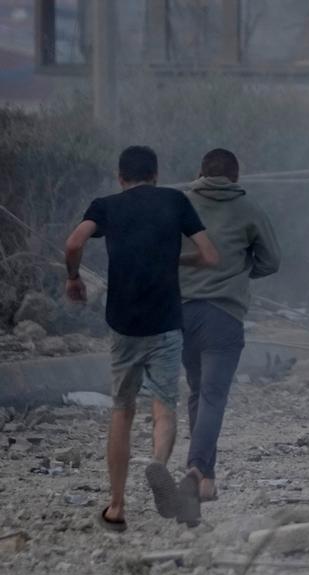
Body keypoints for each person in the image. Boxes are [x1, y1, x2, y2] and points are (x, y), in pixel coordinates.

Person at [63, 145, 219, 531]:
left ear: (121, 177)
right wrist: (177, 259)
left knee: (122, 408)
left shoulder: (106, 205)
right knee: (164, 405)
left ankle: (116, 507)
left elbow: (74, 243)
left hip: (123, 325)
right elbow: (210, 255)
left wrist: (73, 278)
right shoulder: (174, 200)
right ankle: (158, 464)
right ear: (156, 174)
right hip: (165, 322)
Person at [178, 148, 281, 512]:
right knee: (213, 395)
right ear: (236, 176)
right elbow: (272, 260)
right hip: (223, 314)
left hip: (182, 311)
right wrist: (240, 272)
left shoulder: (181, 203)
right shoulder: (248, 208)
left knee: (196, 391)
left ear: (200, 171)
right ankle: (197, 469)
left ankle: (206, 480)